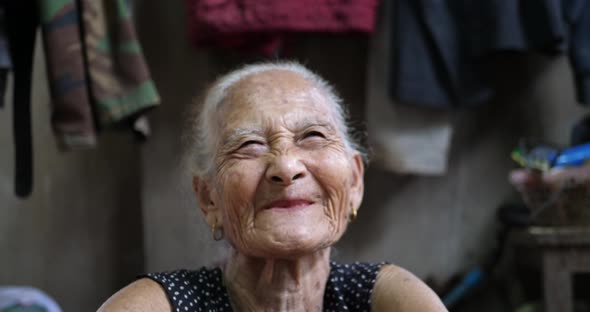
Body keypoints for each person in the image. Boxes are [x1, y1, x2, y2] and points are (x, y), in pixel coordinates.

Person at [98, 62, 447, 312]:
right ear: (209, 198)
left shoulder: (387, 299)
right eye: (249, 145)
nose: (286, 167)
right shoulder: (155, 305)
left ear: (354, 181)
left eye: (312, 136)